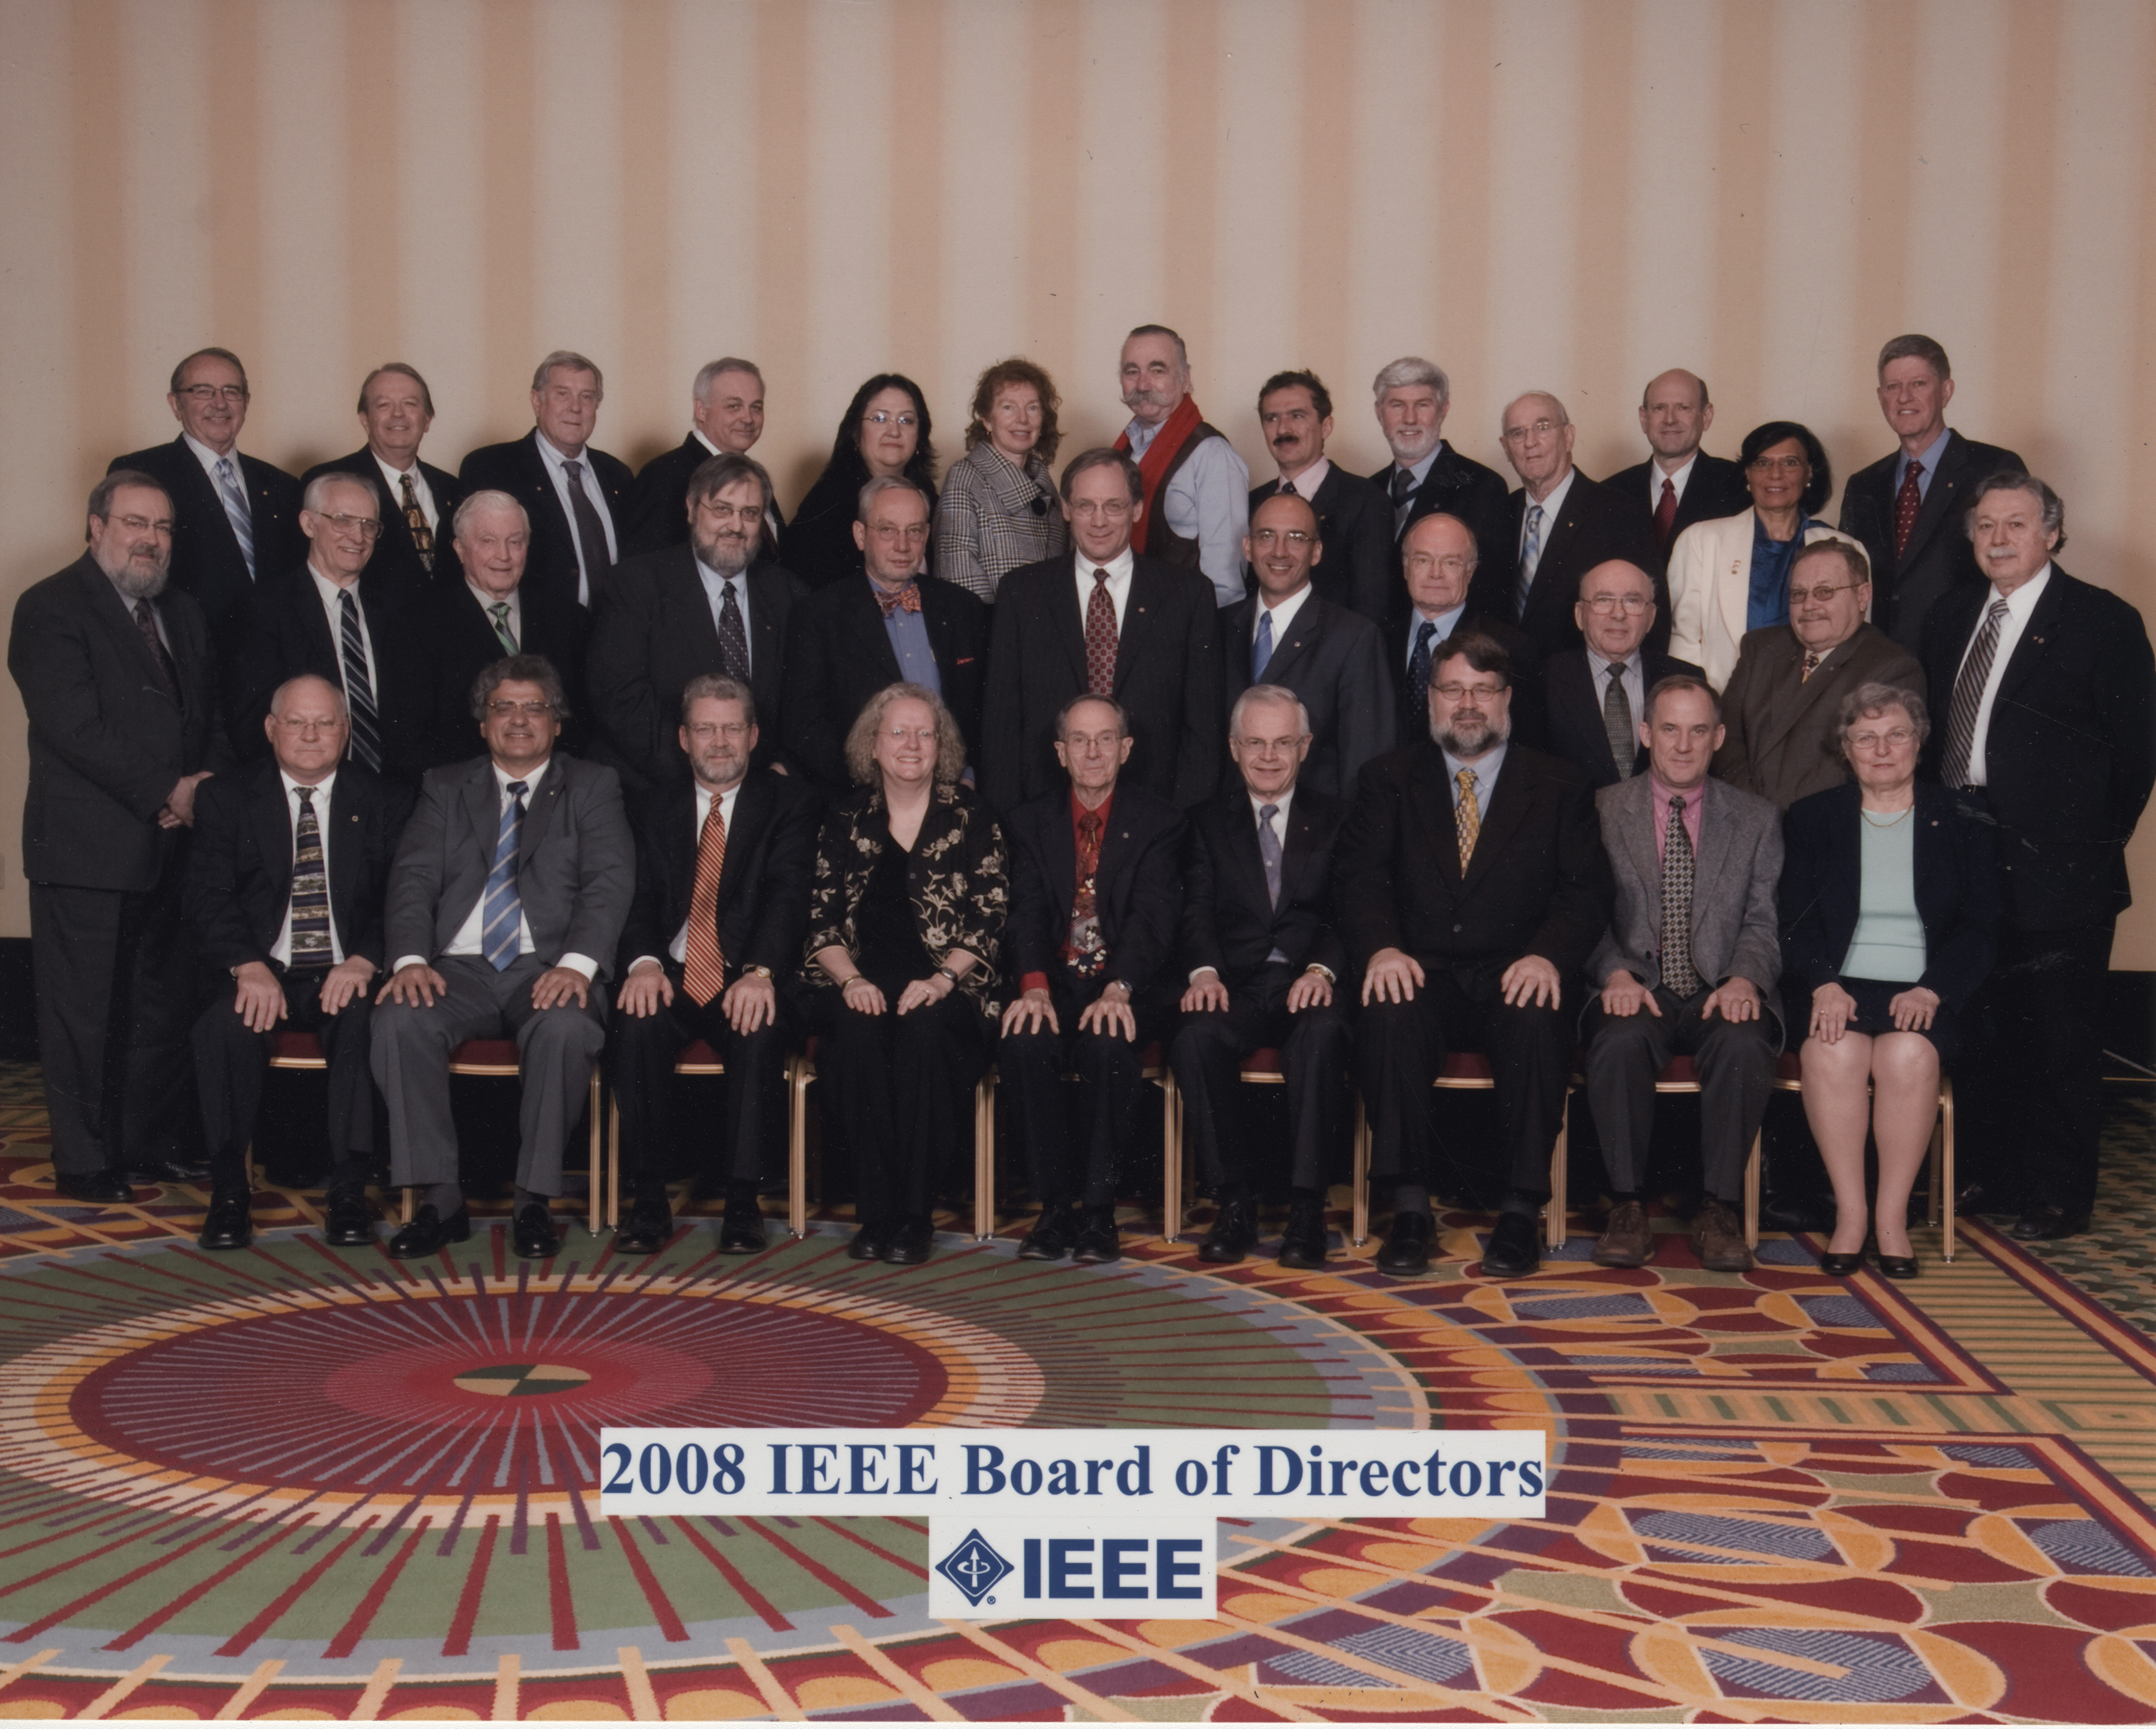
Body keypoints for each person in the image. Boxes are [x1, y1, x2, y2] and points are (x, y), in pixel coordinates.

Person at [1334, 633, 1613, 1279]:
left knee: (1539, 1017)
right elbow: (1358, 878)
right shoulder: (1387, 778)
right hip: (1421, 969)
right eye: (1453, 688)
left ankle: (1519, 1212)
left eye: (1483, 690)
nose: (1467, 703)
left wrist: (1547, 957)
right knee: (1388, 1013)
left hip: (1515, 969)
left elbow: (1587, 891)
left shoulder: (1560, 784)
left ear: (1506, 698)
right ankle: (1409, 1210)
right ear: (1431, 698)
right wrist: (1381, 948)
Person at [1922, 474, 2155, 1240]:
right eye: (1986, 525)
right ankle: (1988, 1173)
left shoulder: (2102, 620)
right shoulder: (1951, 614)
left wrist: (2082, 842)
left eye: (2016, 524)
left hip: (2060, 861)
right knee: (1983, 1021)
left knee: (2060, 1034)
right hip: (1964, 845)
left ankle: (2057, 1191)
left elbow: (2136, 755)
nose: (1998, 539)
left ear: (2052, 533)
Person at [10, 474, 229, 1201]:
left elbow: (209, 715)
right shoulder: (49, 606)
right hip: (89, 849)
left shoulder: (182, 611)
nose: (151, 540)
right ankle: (84, 1160)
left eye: (162, 528)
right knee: (83, 1014)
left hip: (173, 842)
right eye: (135, 523)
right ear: (96, 526)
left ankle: (143, 1145)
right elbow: (75, 728)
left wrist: (201, 788)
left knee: (157, 1010)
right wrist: (169, 790)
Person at [370, 655, 634, 1260]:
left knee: (566, 1027)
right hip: (456, 969)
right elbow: (412, 879)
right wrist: (410, 960)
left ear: (557, 722)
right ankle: (441, 1200)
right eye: (503, 707)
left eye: (534, 707)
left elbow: (609, 881)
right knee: (399, 1017)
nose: (519, 719)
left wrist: (577, 965)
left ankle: (532, 1201)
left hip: (548, 966)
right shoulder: (444, 785)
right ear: (483, 722)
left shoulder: (593, 785)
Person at [185, 676, 411, 1250]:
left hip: (344, 967)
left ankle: (349, 1190)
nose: (311, 735)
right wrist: (247, 964)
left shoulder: (385, 799)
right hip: (265, 968)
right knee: (223, 1028)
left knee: (366, 1021)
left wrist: (365, 960)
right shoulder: (227, 797)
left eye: (325, 722)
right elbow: (207, 896)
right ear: (271, 728)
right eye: (296, 722)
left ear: (346, 730)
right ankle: (229, 1192)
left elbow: (403, 898)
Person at [1781, 685, 1998, 1276]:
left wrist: (1933, 988)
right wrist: (1824, 983)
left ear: (1919, 742)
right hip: (1839, 987)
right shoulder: (1813, 817)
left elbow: (1982, 924)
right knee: (1831, 1053)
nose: (1882, 749)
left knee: (1907, 1055)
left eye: (1896, 734)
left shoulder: (1963, 816)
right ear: (1846, 748)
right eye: (1866, 738)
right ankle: (1851, 1215)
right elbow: (1793, 920)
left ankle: (1891, 1218)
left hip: (1926, 989)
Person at [611, 677, 821, 1256]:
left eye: (732, 728)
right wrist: (644, 963)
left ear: (753, 736)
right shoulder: (650, 806)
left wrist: (761, 971)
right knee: (636, 1020)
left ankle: (743, 1202)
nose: (720, 741)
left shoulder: (790, 802)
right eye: (706, 728)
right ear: (684, 738)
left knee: (757, 1025)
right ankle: (648, 1200)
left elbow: (788, 893)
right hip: (672, 969)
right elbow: (635, 897)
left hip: (746, 969)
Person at [1581, 677, 1782, 1272]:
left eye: (1699, 730)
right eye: (1670, 728)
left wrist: (1745, 978)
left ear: (1718, 737)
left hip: (1719, 986)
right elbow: (1581, 911)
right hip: (1633, 984)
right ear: (1646, 733)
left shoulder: (1757, 818)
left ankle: (1719, 1208)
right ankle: (1626, 1205)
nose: (1684, 744)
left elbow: (1763, 917)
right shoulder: (1600, 809)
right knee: (1619, 1041)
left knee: (1745, 1043)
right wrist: (1614, 974)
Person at [801, 684, 1006, 1264]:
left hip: (947, 983)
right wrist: (851, 981)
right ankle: (877, 1212)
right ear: (873, 744)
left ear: (941, 745)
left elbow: (990, 914)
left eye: (924, 733)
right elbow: (821, 920)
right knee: (856, 1036)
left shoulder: (971, 814)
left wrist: (942, 980)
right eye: (898, 732)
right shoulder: (845, 816)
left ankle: (914, 1216)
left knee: (924, 1034)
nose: (912, 744)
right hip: (859, 979)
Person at [1171, 686, 1352, 1268]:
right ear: (1234, 747)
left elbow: (1351, 909)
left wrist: (1322, 969)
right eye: (1255, 743)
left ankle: (1307, 1209)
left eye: (1282, 743)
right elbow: (1194, 910)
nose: (1269, 756)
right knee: (1195, 1036)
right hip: (1236, 983)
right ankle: (1235, 1203)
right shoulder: (1204, 821)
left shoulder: (1338, 816)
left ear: (1305, 746)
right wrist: (1204, 972)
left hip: (1308, 979)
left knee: (1322, 1036)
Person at [1000, 695, 1184, 1266]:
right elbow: (1026, 913)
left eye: (1106, 738)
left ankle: (1099, 1212)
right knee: (1025, 1040)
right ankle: (1055, 1208)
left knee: (1108, 1042)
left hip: (1126, 983)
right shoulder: (1028, 822)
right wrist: (1033, 986)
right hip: (1054, 981)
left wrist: (1119, 987)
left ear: (1126, 749)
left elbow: (1153, 919)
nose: (1093, 751)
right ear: (1061, 752)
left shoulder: (1160, 821)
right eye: (1079, 740)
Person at [979, 448, 1223, 813]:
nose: (1098, 521)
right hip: (1044, 811)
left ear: (1137, 509)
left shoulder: (1187, 594)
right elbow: (1001, 722)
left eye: (1113, 506)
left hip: (1156, 810)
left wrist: (1184, 822)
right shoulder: (1022, 593)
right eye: (1085, 506)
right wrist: (1009, 822)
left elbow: (1203, 726)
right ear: (1065, 509)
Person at [586, 453, 804, 787]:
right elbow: (620, 699)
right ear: (691, 509)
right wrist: (710, 775)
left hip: (764, 788)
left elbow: (804, 702)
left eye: (750, 513)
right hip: (663, 788)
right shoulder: (636, 584)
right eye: (722, 509)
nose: (736, 526)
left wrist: (773, 772)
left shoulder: (789, 594)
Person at [783, 477, 989, 793]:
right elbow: (805, 727)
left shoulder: (964, 608)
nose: (903, 546)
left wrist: (967, 778)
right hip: (861, 796)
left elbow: (986, 713)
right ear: (860, 535)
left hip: (954, 792)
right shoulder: (818, 615)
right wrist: (875, 787)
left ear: (927, 535)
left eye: (914, 531)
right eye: (887, 530)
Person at [108, 348, 305, 662]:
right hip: (186, 661)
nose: (220, 403)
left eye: (231, 391)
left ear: (246, 402)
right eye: (203, 391)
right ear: (176, 404)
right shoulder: (142, 473)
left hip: (271, 664)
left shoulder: (282, 485)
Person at [237, 472, 430, 782]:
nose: (358, 537)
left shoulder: (397, 613)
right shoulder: (266, 609)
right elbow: (256, 727)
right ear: (308, 524)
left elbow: (415, 723)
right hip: (306, 791)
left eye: (369, 525)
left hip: (392, 793)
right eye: (343, 521)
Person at [1839, 335, 2026, 653]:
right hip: (1878, 661)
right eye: (1893, 387)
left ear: (1946, 392)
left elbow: (2020, 571)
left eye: (1919, 384)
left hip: (1965, 656)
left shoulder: (1994, 468)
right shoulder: (1863, 485)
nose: (1904, 397)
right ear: (1881, 398)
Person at [1714, 541, 1923, 810]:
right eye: (1798, 594)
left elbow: (1867, 770)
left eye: (1825, 592)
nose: (1809, 605)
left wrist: (1790, 821)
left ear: (1863, 596)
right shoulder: (1760, 649)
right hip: (1746, 818)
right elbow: (1723, 740)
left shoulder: (1892, 668)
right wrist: (1756, 815)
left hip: (1822, 824)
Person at [1667, 420, 1868, 691]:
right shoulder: (1701, 540)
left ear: (1809, 473)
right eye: (1763, 463)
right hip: (1721, 701)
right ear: (1748, 473)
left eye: (1790, 463)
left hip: (1818, 705)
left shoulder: (1848, 549)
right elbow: (1684, 641)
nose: (1776, 474)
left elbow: (1858, 647)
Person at [1218, 491, 1393, 797]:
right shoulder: (1217, 627)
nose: (1280, 552)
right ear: (1248, 547)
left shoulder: (1354, 637)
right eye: (1266, 536)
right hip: (1226, 821)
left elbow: (1365, 763)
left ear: (1316, 552)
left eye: (1296, 538)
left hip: (1315, 824)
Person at [412, 491, 588, 768]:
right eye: (488, 541)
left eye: (515, 542)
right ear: (460, 549)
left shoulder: (569, 619)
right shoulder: (419, 625)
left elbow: (585, 725)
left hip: (560, 785)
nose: (504, 555)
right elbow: (413, 741)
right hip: (464, 787)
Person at [1484, 391, 1663, 660]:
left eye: (1543, 427)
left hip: (1583, 681)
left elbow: (1650, 613)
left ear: (1569, 436)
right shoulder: (1499, 514)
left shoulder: (1619, 512)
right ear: (1506, 447)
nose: (1530, 442)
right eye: (1517, 434)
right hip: (1505, 677)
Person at [458, 351, 632, 611]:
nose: (575, 408)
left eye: (587, 397)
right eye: (563, 394)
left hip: (614, 626)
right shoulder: (493, 468)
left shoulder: (617, 473)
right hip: (538, 628)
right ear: (537, 401)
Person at [1114, 325, 1249, 607]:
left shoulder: (1212, 455)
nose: (1143, 385)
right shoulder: (1122, 451)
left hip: (1180, 625)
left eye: (1158, 370)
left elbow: (1225, 586)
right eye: (1132, 371)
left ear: (1185, 380)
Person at [300, 363, 465, 593]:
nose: (398, 414)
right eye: (384, 405)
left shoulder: (452, 488)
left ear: (428, 419)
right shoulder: (330, 482)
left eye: (410, 404)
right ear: (365, 419)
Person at [1389, 512, 1544, 752]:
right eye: (1423, 560)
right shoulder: (1377, 639)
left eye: (1451, 562)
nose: (1436, 573)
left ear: (1470, 572)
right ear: (1406, 567)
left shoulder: (1511, 647)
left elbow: (1526, 747)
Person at [1250, 370, 1393, 626]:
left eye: (1297, 416)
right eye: (1272, 418)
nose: (1283, 429)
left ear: (1326, 427)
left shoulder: (1367, 501)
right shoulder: (1253, 503)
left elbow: (1370, 613)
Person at [1544, 559, 1701, 789]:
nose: (1618, 614)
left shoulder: (1686, 678)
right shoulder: (1543, 680)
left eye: (1633, 601)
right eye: (1603, 600)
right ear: (1579, 614)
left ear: (1651, 618)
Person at [785, 374, 939, 591]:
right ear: (856, 434)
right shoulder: (826, 503)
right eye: (879, 419)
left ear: (919, 436)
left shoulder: (931, 501)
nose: (894, 431)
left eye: (906, 421)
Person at [933, 357, 1069, 603]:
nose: (1023, 419)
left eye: (1033, 408)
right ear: (987, 419)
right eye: (1008, 407)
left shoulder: (1045, 484)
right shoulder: (965, 480)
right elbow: (959, 589)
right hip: (997, 627)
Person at [1367, 357, 1511, 588]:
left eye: (1423, 405)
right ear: (1379, 413)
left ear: (1443, 410)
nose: (1410, 419)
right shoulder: (1368, 490)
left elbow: (1489, 589)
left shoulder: (1482, 486)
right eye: (1398, 405)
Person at [625, 359, 785, 561]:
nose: (748, 419)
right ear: (701, 410)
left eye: (756, 407)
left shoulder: (751, 476)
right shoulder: (665, 476)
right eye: (734, 406)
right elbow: (647, 568)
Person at [1604, 369, 1753, 561]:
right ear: (1644, 418)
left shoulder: (1739, 487)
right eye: (1659, 408)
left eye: (1683, 408)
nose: (1670, 420)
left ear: (1706, 417)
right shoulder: (1611, 493)